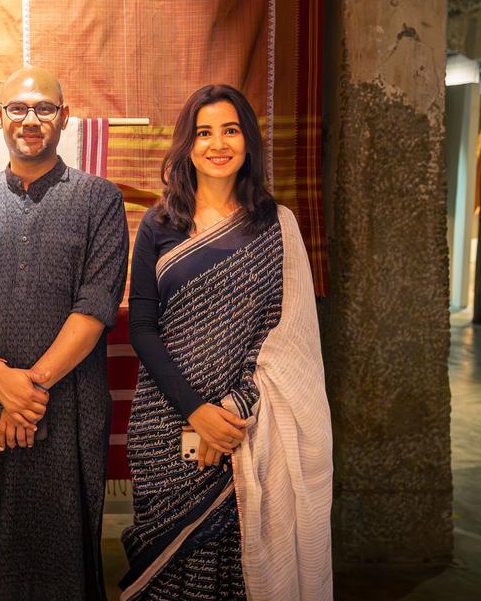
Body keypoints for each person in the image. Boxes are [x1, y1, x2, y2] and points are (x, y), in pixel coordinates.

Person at [119, 84, 333, 601]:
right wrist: (197, 411)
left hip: (248, 426)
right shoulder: (160, 223)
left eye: (230, 130)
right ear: (187, 145)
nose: (218, 143)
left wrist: (230, 413)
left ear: (248, 141)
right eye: (204, 132)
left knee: (238, 572)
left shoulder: (276, 227)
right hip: (165, 421)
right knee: (169, 571)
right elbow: (142, 327)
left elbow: (287, 339)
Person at [0, 67, 129, 601]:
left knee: (59, 548)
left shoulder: (99, 200)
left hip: (65, 402)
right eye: (18, 108)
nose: (31, 119)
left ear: (64, 118)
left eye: (44, 108)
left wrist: (30, 388)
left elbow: (96, 303)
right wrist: (1, 380)